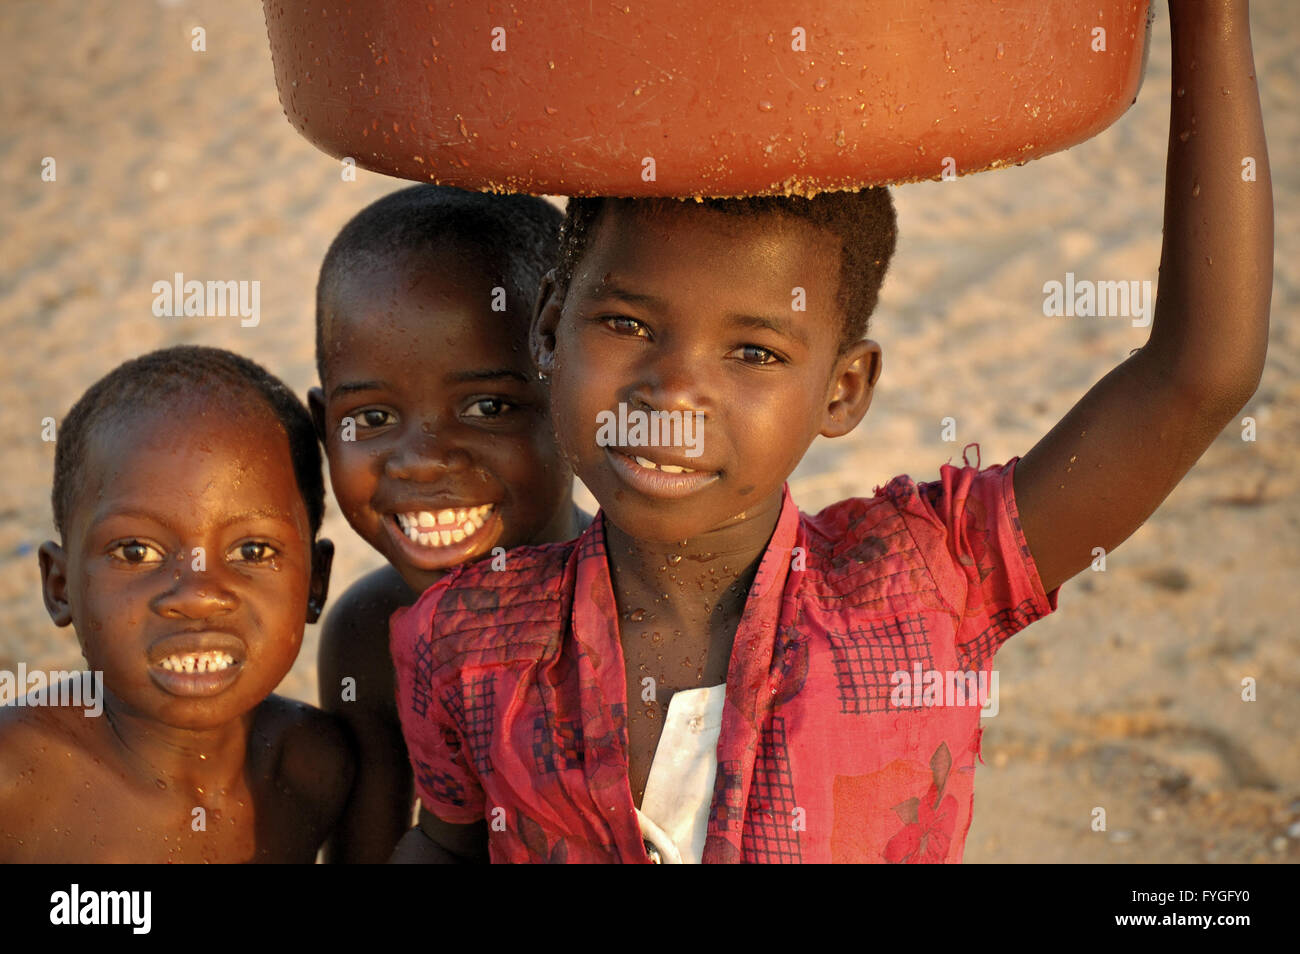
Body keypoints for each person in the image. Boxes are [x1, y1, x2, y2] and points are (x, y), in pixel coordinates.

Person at [392, 0, 1272, 862]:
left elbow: (1199, 375)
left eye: (754, 352)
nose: (674, 393)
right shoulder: (466, 638)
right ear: (548, 330)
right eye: (626, 325)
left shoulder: (930, 582)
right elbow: (447, 844)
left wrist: (1211, 20)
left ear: (844, 390)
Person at [309, 185, 588, 862]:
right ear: (325, 430)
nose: (424, 462)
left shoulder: (641, 606)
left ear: (579, 404)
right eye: (372, 419)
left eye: (489, 406)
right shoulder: (369, 634)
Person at [0, 346, 350, 862]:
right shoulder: (15, 784)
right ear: (59, 586)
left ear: (315, 583)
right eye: (136, 552)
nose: (197, 595)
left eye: (252, 551)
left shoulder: (318, 769)